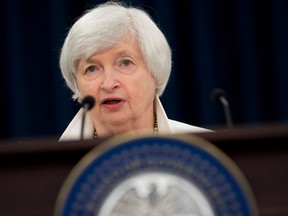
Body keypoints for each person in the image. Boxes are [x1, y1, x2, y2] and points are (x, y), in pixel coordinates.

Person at [59, 1, 210, 141]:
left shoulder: (207, 151)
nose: (109, 84)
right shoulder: (53, 165)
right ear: (76, 83)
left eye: (125, 63)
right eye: (91, 69)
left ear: (156, 72)